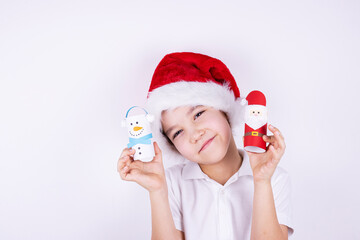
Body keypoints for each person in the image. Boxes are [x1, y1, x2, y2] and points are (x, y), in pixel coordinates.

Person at [117, 52, 294, 240]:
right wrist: (157, 191)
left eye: (198, 114)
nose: (195, 134)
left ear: (225, 111)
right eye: (178, 133)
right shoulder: (171, 183)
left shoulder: (274, 178)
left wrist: (261, 181)